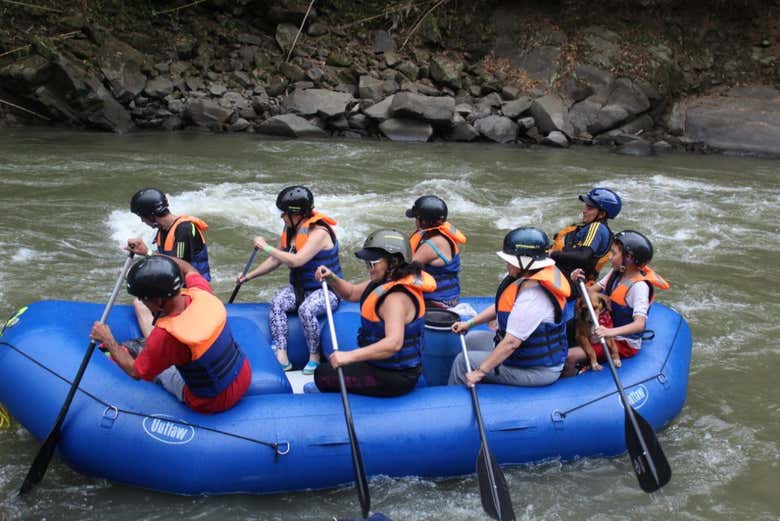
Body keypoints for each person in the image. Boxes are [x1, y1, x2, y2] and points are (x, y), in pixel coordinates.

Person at [90, 255, 251, 413]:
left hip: (211, 402)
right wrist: (153, 258)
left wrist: (108, 339)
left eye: (143, 299)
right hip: (243, 376)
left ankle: (134, 350)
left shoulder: (166, 336)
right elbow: (188, 268)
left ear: (159, 301)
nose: (142, 302)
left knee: (165, 372)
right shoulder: (202, 291)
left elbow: (135, 372)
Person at [314, 229, 436, 397]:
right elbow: (351, 293)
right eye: (367, 262)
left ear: (393, 262)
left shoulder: (395, 298)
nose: (368, 267)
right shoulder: (384, 281)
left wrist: (349, 356)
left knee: (322, 375)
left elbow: (394, 343)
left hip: (395, 377)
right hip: (381, 366)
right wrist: (332, 277)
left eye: (372, 263)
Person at [237, 186, 343, 374]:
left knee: (306, 309)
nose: (281, 217)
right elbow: (276, 259)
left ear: (297, 214)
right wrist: (248, 276)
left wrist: (266, 246)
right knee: (277, 303)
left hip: (326, 290)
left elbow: (296, 260)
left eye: (284, 213)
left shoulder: (320, 233)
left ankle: (314, 356)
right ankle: (282, 356)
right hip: (301, 289)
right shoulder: (291, 228)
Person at [448, 227, 571, 388]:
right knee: (470, 338)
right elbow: (499, 307)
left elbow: (511, 342)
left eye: (510, 260)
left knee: (463, 362)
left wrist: (479, 372)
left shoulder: (534, 296)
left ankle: (452, 402)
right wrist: (469, 324)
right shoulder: (526, 276)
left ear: (526, 261)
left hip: (537, 369)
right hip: (520, 355)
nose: (507, 264)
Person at [563, 230, 670, 376]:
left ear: (629, 258)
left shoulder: (639, 287)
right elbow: (589, 293)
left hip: (622, 342)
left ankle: (569, 382)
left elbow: (640, 324)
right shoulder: (616, 273)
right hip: (605, 327)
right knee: (566, 332)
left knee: (570, 357)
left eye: (613, 254)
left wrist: (609, 332)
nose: (609, 257)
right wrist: (577, 281)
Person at [127, 187, 211, 339]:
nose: (142, 221)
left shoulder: (185, 229)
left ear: (151, 216)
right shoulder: (163, 230)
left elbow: (178, 267)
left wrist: (147, 253)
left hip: (193, 291)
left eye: (142, 217)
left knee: (140, 304)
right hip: (175, 286)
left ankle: (154, 346)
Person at [405, 195, 467, 309]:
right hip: (448, 298)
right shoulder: (439, 235)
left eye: (416, 218)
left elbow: (404, 269)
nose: (415, 221)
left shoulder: (434, 243)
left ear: (424, 221)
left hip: (440, 303)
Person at [550, 187, 621, 282]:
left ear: (602, 214)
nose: (584, 210)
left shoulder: (597, 228)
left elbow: (583, 257)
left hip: (573, 280)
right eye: (586, 206)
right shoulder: (588, 227)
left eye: (590, 208)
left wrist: (553, 254)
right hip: (565, 273)